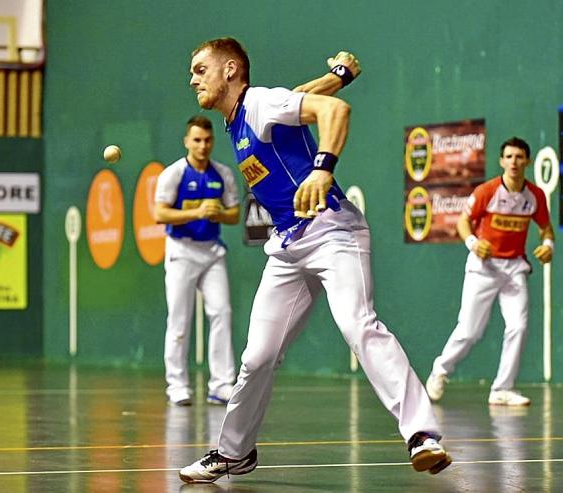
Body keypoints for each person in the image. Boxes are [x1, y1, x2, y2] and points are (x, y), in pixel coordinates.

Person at [179, 37, 450, 484]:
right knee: (258, 356)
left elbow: (334, 113)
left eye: (200, 69)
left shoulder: (259, 102)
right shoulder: (242, 116)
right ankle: (233, 453)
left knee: (358, 325)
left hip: (332, 232)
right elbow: (304, 98)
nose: (192, 79)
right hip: (287, 246)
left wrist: (323, 167)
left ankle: (422, 435)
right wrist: (337, 77)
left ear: (230, 70)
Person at [426, 137, 554, 406]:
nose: (514, 162)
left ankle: (502, 389)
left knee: (518, 327)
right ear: (501, 161)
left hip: (514, 269)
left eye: (519, 157)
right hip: (483, 267)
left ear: (527, 162)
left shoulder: (535, 196)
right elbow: (463, 221)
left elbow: (545, 228)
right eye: (508, 157)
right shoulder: (487, 191)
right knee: (470, 331)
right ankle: (440, 371)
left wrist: (548, 245)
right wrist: (473, 243)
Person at [154, 115, 240, 406]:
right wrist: (196, 213)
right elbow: (160, 214)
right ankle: (177, 385)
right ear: (187, 142)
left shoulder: (223, 174)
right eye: (197, 140)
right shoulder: (174, 174)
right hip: (181, 251)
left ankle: (222, 384)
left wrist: (218, 214)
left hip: (212, 251)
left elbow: (235, 214)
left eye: (207, 140)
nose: (203, 146)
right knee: (179, 319)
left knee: (222, 312)